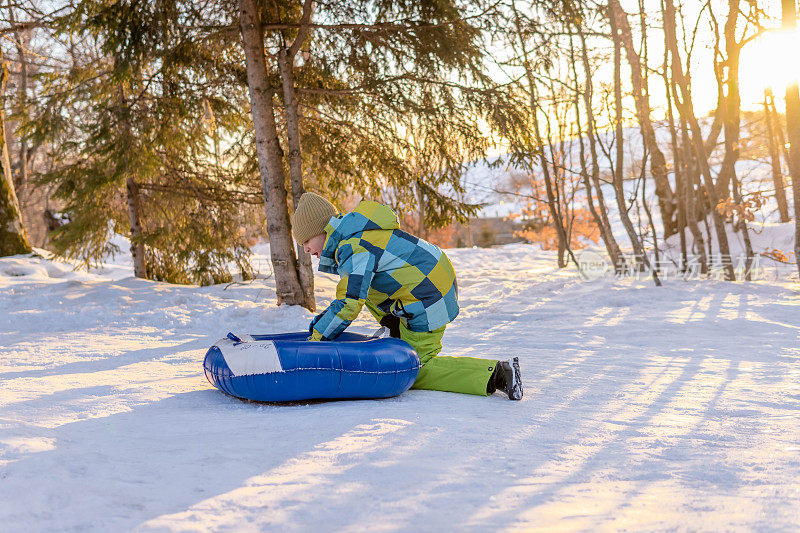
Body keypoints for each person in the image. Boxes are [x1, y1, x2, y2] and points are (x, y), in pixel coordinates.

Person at [291, 192, 523, 400]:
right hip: (427, 285)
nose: (306, 250)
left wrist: (316, 341)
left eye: (306, 241)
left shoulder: (354, 245)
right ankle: (396, 329)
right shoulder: (356, 236)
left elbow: (349, 302)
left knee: (409, 369)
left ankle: (500, 373)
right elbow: (354, 293)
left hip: (428, 296)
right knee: (360, 284)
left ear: (323, 229)